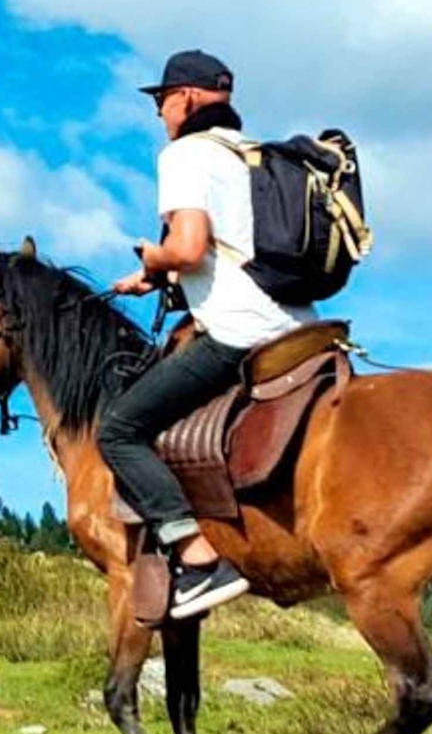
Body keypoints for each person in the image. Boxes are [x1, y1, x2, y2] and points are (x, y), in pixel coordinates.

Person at [98, 49, 317, 621]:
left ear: (189, 98)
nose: (160, 114)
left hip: (239, 333)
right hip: (304, 327)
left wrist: (157, 252)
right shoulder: (256, 156)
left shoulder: (185, 154)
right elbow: (230, 249)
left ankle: (198, 558)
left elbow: (191, 246)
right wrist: (155, 277)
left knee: (120, 430)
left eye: (162, 101)